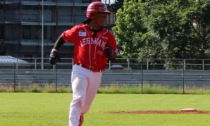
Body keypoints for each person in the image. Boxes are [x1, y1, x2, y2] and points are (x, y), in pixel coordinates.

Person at [49, 1, 118, 126]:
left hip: (97, 73)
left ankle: (79, 115)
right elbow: (63, 37)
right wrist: (54, 51)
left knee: (85, 107)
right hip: (80, 69)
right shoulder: (79, 30)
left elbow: (114, 55)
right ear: (93, 15)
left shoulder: (108, 36)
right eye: (102, 15)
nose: (105, 18)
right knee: (78, 98)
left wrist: (110, 53)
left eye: (105, 15)